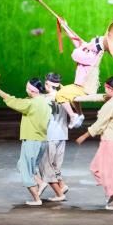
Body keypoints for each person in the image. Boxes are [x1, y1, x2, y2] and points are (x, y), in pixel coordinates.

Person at [0, 78, 51, 206]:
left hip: (32, 140)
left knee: (25, 169)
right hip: (42, 141)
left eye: (27, 87)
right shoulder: (44, 101)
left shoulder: (30, 104)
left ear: (32, 90)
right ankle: (40, 183)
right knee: (24, 165)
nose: (26, 89)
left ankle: (37, 199)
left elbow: (12, 100)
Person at [76, 76, 113, 210]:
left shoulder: (111, 105)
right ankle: (112, 193)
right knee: (96, 168)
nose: (104, 90)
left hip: (111, 141)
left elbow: (99, 124)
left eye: (105, 87)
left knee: (109, 172)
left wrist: (84, 136)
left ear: (110, 88)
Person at [54, 19, 106, 129]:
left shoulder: (91, 57)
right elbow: (76, 40)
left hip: (83, 89)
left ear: (95, 47)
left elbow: (75, 54)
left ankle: (73, 116)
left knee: (60, 94)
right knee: (68, 92)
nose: (89, 42)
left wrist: (82, 47)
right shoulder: (91, 51)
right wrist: (65, 27)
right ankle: (80, 115)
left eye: (92, 41)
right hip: (79, 87)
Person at [38, 72, 69, 202]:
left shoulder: (45, 99)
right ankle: (62, 185)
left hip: (50, 135)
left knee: (47, 165)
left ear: (47, 84)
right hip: (62, 135)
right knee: (55, 164)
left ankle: (59, 193)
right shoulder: (64, 96)